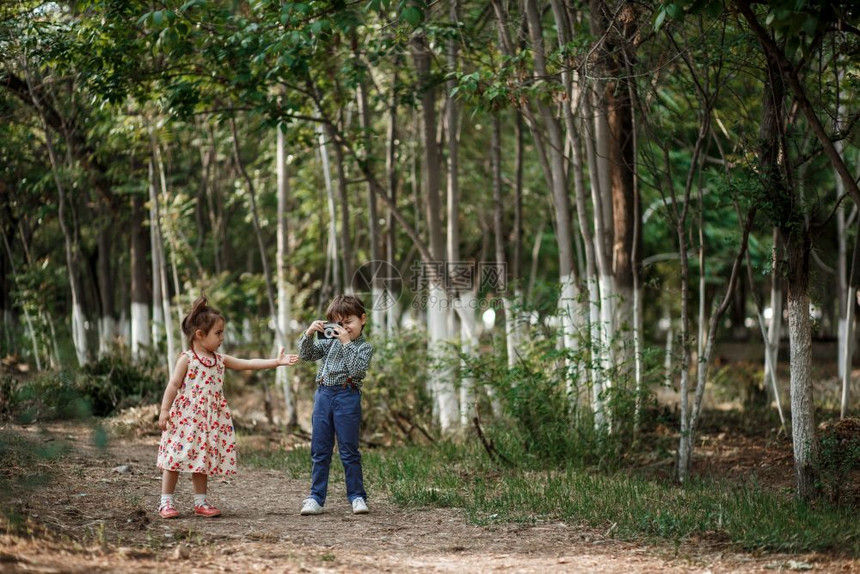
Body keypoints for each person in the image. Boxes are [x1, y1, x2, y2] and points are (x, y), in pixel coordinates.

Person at [156, 296, 299, 519]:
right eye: (218, 333)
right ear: (200, 335)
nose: (222, 338)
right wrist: (165, 411)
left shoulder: (219, 360)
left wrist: (276, 362)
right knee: (174, 458)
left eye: (222, 332)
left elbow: (248, 364)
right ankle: (166, 502)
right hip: (185, 417)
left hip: (208, 421)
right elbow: (173, 385)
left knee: (201, 460)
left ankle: (200, 502)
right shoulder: (187, 359)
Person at [298, 294, 374, 515]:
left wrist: (346, 342)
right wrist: (309, 333)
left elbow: (358, 370)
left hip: (346, 396)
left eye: (348, 322)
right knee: (320, 449)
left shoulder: (364, 347)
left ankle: (357, 496)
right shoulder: (329, 342)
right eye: (338, 324)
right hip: (323, 395)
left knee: (349, 450)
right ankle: (316, 497)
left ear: (363, 319)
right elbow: (307, 354)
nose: (344, 328)